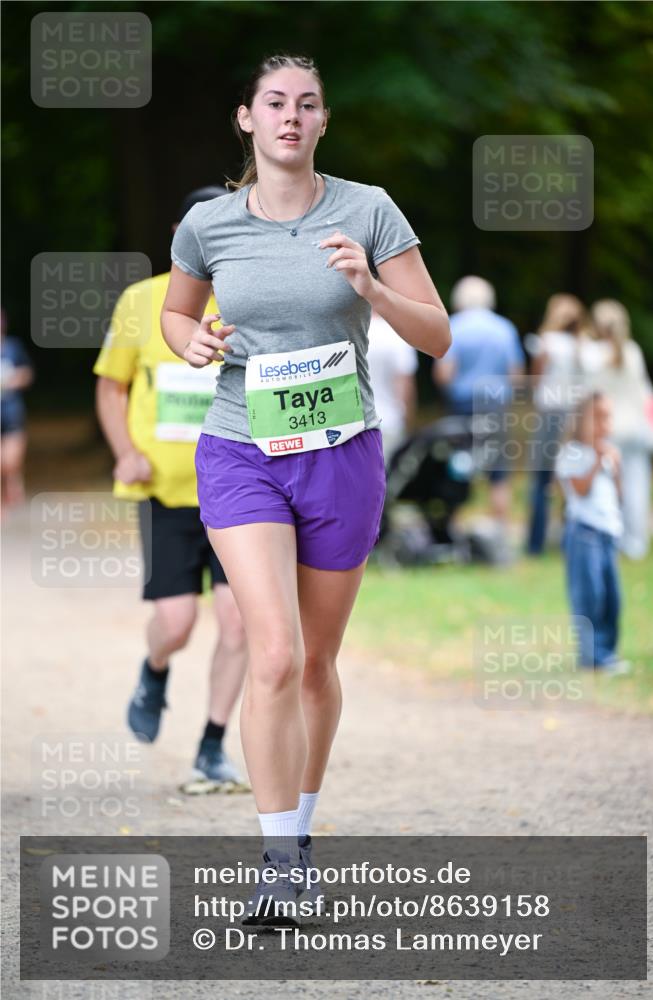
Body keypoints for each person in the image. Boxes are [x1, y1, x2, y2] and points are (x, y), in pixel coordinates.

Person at [161, 53, 450, 926]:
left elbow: (435, 336)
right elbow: (176, 313)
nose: (291, 116)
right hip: (240, 448)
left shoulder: (368, 211)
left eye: (307, 104)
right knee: (273, 651)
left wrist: (369, 286)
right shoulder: (208, 225)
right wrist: (190, 344)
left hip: (341, 453)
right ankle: (278, 861)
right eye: (274, 103)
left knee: (317, 664)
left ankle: (303, 835)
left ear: (324, 122)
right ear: (246, 119)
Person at [94, 187, 248, 792]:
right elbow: (111, 387)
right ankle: (155, 668)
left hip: (240, 490)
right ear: (181, 234)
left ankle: (212, 745)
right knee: (178, 623)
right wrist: (126, 452)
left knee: (239, 625)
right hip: (165, 491)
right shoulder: (142, 302)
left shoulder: (250, 298)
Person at [432, 276, 524, 530]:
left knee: (457, 466)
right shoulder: (504, 328)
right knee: (499, 471)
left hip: (462, 407)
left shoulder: (455, 327)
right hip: (495, 406)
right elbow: (516, 375)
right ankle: (499, 532)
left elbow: (444, 373)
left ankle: (454, 528)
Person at [555, 391, 630, 674]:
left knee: (612, 595)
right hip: (584, 532)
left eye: (607, 418)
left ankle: (608, 653)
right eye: (597, 418)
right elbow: (580, 489)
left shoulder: (610, 452)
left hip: (608, 531)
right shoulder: (573, 452)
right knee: (590, 595)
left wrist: (617, 467)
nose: (604, 424)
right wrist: (598, 461)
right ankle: (591, 656)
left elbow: (618, 496)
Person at [590, 299, 653, 560]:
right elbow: (645, 393)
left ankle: (613, 537)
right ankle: (636, 542)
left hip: (608, 429)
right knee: (636, 486)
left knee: (608, 487)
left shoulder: (592, 354)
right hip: (636, 429)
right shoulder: (632, 351)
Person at [525, 294, 598, 555]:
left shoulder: (548, 343)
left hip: (551, 413)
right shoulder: (588, 346)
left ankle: (535, 543)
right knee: (572, 475)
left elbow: (536, 380)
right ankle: (572, 539)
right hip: (578, 415)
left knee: (541, 478)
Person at [366, 308, 418, 463]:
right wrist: (408, 421)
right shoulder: (396, 334)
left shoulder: (351, 331)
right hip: (390, 419)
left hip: (356, 423)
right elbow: (404, 383)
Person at [1, 308, 34, 510]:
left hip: (11, 409)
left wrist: (14, 380)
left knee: (11, 459)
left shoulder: (13, 347)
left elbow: (28, 373)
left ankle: (13, 482)